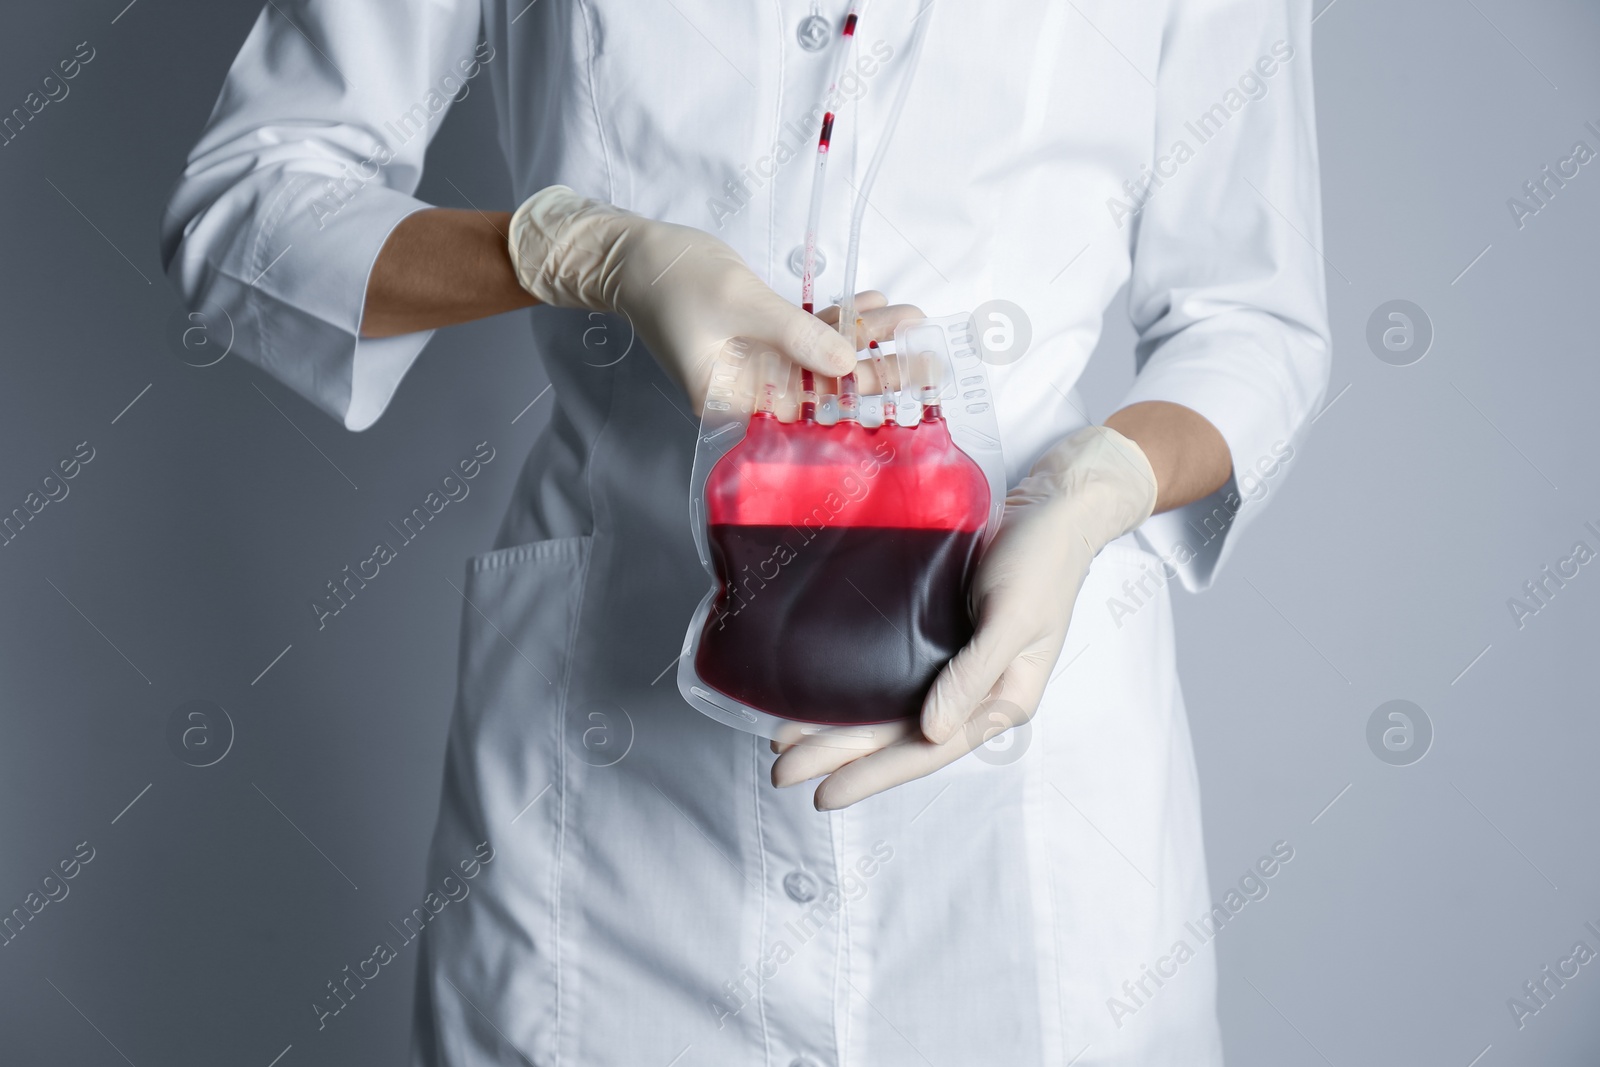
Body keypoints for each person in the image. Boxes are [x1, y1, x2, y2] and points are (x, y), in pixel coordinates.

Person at [162, 1, 1328, 1063]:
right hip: (604, 820)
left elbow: (1254, 320)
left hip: (1024, 814)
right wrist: (587, 252)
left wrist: (1093, 488)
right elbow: (250, 209)